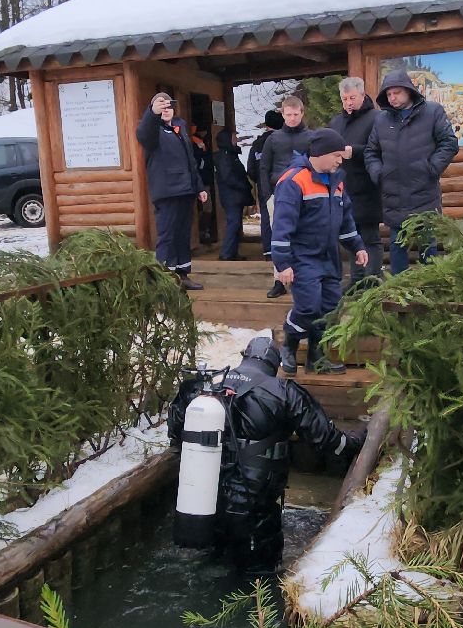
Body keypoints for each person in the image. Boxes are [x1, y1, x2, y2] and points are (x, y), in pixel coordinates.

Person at [168, 337, 364, 573]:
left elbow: (175, 429)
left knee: (214, 567)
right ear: (275, 363)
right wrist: (359, 439)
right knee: (258, 581)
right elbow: (328, 440)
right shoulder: (284, 392)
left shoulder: (205, 387)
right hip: (254, 512)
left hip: (205, 504)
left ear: (245, 356)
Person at [271, 129, 368, 374]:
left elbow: (345, 220)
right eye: (336, 155)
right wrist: (282, 264)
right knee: (307, 307)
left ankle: (317, 356)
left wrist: (356, 246)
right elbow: (282, 226)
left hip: (329, 257)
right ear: (320, 153)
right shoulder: (294, 181)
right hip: (302, 258)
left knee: (330, 308)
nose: (340, 160)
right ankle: (289, 344)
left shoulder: (336, 181)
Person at [364, 70, 458, 273]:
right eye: (389, 94)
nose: (392, 98)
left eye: (396, 92)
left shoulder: (432, 112)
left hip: (424, 193)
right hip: (394, 195)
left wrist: (432, 167)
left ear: (409, 91)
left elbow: (449, 143)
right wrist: (378, 172)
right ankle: (398, 295)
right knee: (398, 247)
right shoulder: (381, 120)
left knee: (428, 249)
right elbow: (371, 151)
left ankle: (431, 291)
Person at [134, 91, 207, 291]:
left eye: (169, 106)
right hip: (166, 193)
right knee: (167, 236)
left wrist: (199, 187)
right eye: (161, 107)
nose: (166, 110)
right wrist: (152, 112)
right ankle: (164, 280)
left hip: (186, 190)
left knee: (183, 235)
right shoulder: (151, 130)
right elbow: (143, 132)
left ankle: (183, 276)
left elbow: (190, 160)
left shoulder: (179, 127)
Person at [326, 77, 384, 286]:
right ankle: (357, 281)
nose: (348, 103)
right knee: (351, 237)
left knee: (370, 237)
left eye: (352, 98)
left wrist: (354, 151)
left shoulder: (377, 118)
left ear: (362, 95)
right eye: (344, 99)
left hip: (368, 187)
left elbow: (379, 149)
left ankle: (372, 280)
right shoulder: (336, 122)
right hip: (343, 187)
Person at [258, 96, 314, 297]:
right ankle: (279, 281)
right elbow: (263, 168)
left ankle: (306, 278)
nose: (292, 118)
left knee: (304, 237)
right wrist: (267, 197)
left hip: (304, 195)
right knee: (279, 239)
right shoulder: (273, 139)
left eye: (295, 114)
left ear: (302, 113)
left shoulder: (311, 138)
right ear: (282, 114)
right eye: (288, 115)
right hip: (278, 196)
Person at [214, 126, 255, 260]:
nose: (236, 140)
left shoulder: (231, 155)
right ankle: (226, 253)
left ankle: (232, 252)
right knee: (233, 223)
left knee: (236, 223)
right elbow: (227, 177)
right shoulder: (224, 157)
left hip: (235, 195)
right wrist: (242, 186)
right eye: (233, 137)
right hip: (231, 195)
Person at [249, 109, 280, 258]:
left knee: (267, 216)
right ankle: (283, 247)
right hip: (282, 184)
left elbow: (251, 169)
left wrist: (260, 180)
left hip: (263, 186)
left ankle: (268, 249)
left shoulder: (257, 144)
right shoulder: (282, 140)